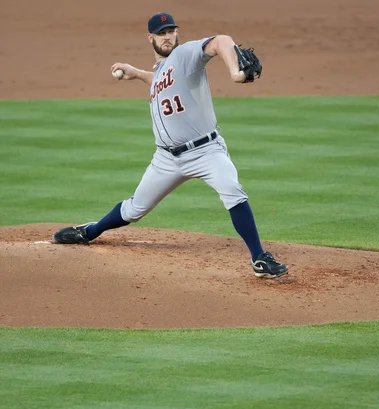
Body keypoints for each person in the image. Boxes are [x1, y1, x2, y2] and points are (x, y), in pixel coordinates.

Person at [52, 12, 288, 279]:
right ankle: (90, 231)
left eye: (171, 31)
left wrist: (235, 72)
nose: (168, 37)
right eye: (162, 33)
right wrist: (137, 73)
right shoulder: (163, 69)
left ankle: (259, 257)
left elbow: (221, 40)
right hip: (165, 159)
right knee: (134, 209)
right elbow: (163, 84)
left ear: (177, 33)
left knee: (232, 190)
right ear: (150, 38)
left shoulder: (186, 54)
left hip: (205, 151)